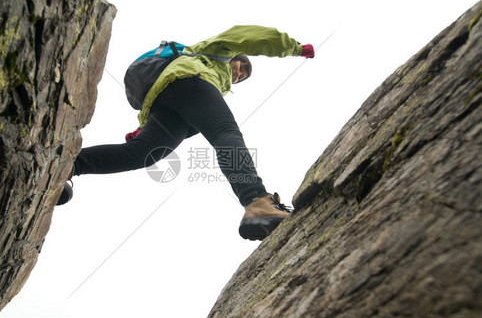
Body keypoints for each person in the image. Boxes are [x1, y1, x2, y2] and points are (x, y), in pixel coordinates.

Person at [57, 25, 315, 241]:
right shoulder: (214, 52)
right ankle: (257, 200)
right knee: (226, 133)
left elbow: (175, 97)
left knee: (142, 154)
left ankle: (67, 166)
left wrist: (141, 129)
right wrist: (295, 48)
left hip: (165, 98)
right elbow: (249, 35)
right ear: (234, 57)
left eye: (241, 77)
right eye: (239, 67)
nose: (238, 74)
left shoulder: (209, 78)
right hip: (190, 81)